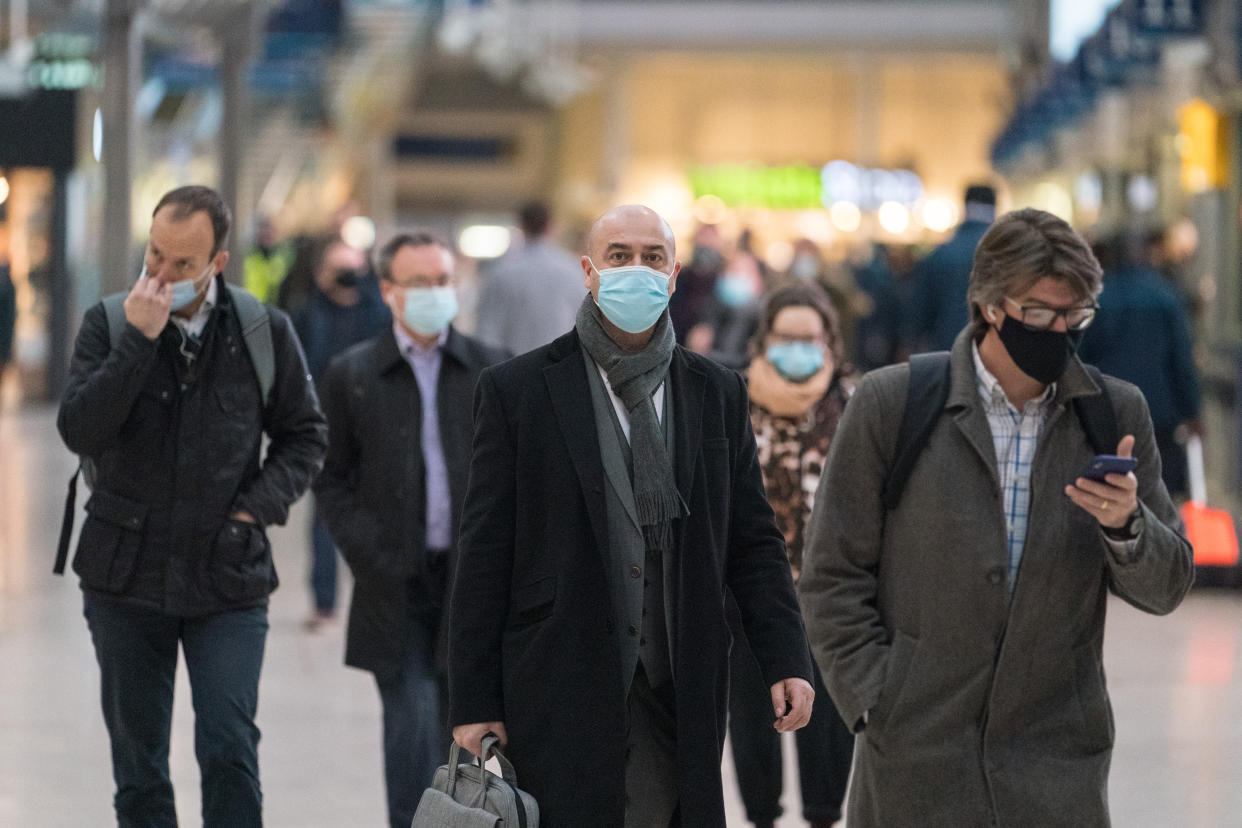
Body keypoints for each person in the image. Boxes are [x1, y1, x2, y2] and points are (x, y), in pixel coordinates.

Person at [798, 208, 1194, 826]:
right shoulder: (892, 404)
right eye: (1039, 314)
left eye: (1076, 316)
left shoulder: (1113, 416)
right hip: (915, 754)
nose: (1059, 332)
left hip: (1055, 762)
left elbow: (1169, 585)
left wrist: (1128, 526)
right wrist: (876, 698)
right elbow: (830, 574)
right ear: (990, 305)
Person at [448, 204, 816, 826]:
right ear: (589, 272)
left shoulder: (716, 392)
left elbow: (752, 539)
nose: (636, 270)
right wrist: (473, 698)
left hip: (680, 674)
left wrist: (785, 656)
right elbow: (486, 550)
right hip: (560, 670)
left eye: (653, 258)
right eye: (619, 256)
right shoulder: (519, 391)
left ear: (674, 276)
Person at [57, 185, 328, 826]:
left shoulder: (263, 330)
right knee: (140, 766)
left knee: (230, 748)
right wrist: (138, 344)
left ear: (218, 262)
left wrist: (252, 512)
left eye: (183, 264)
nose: (162, 274)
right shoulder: (110, 322)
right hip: (125, 575)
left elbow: (305, 436)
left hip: (227, 576)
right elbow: (80, 429)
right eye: (155, 256)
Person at [315, 229, 508, 828]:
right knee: (409, 733)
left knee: (465, 735)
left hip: (469, 585)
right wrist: (369, 554)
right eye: (420, 282)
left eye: (443, 281)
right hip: (391, 584)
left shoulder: (490, 370)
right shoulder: (353, 374)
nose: (434, 293)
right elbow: (330, 478)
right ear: (389, 290)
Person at [730, 282, 855, 828]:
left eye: (810, 337)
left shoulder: (856, 401)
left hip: (832, 596)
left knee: (828, 723)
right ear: (764, 340)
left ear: (830, 341)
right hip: (749, 595)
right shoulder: (731, 398)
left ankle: (824, 816)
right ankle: (760, 817)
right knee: (751, 718)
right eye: (786, 337)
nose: (798, 347)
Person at [291, 235, 390, 628]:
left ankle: (378, 601)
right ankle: (325, 603)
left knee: (380, 514)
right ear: (321, 273)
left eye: (353, 269)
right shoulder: (305, 314)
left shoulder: (380, 314)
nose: (347, 278)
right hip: (323, 426)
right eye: (338, 270)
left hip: (373, 424)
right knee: (325, 517)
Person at [1077, 233, 1202, 499]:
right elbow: (1180, 359)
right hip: (1159, 416)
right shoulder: (1165, 296)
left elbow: (1080, 358)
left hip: (1106, 413)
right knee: (1159, 494)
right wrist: (1192, 411)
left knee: (1108, 493)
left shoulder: (1096, 300)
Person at [474, 200, 584, 355]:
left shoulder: (501, 272)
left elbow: (486, 332)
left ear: (521, 227)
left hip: (512, 370)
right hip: (562, 368)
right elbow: (585, 325)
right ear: (551, 227)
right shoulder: (574, 270)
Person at [909, 183, 997, 352]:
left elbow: (920, 311)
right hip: (994, 354)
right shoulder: (1007, 254)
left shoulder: (940, 254)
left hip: (947, 349)